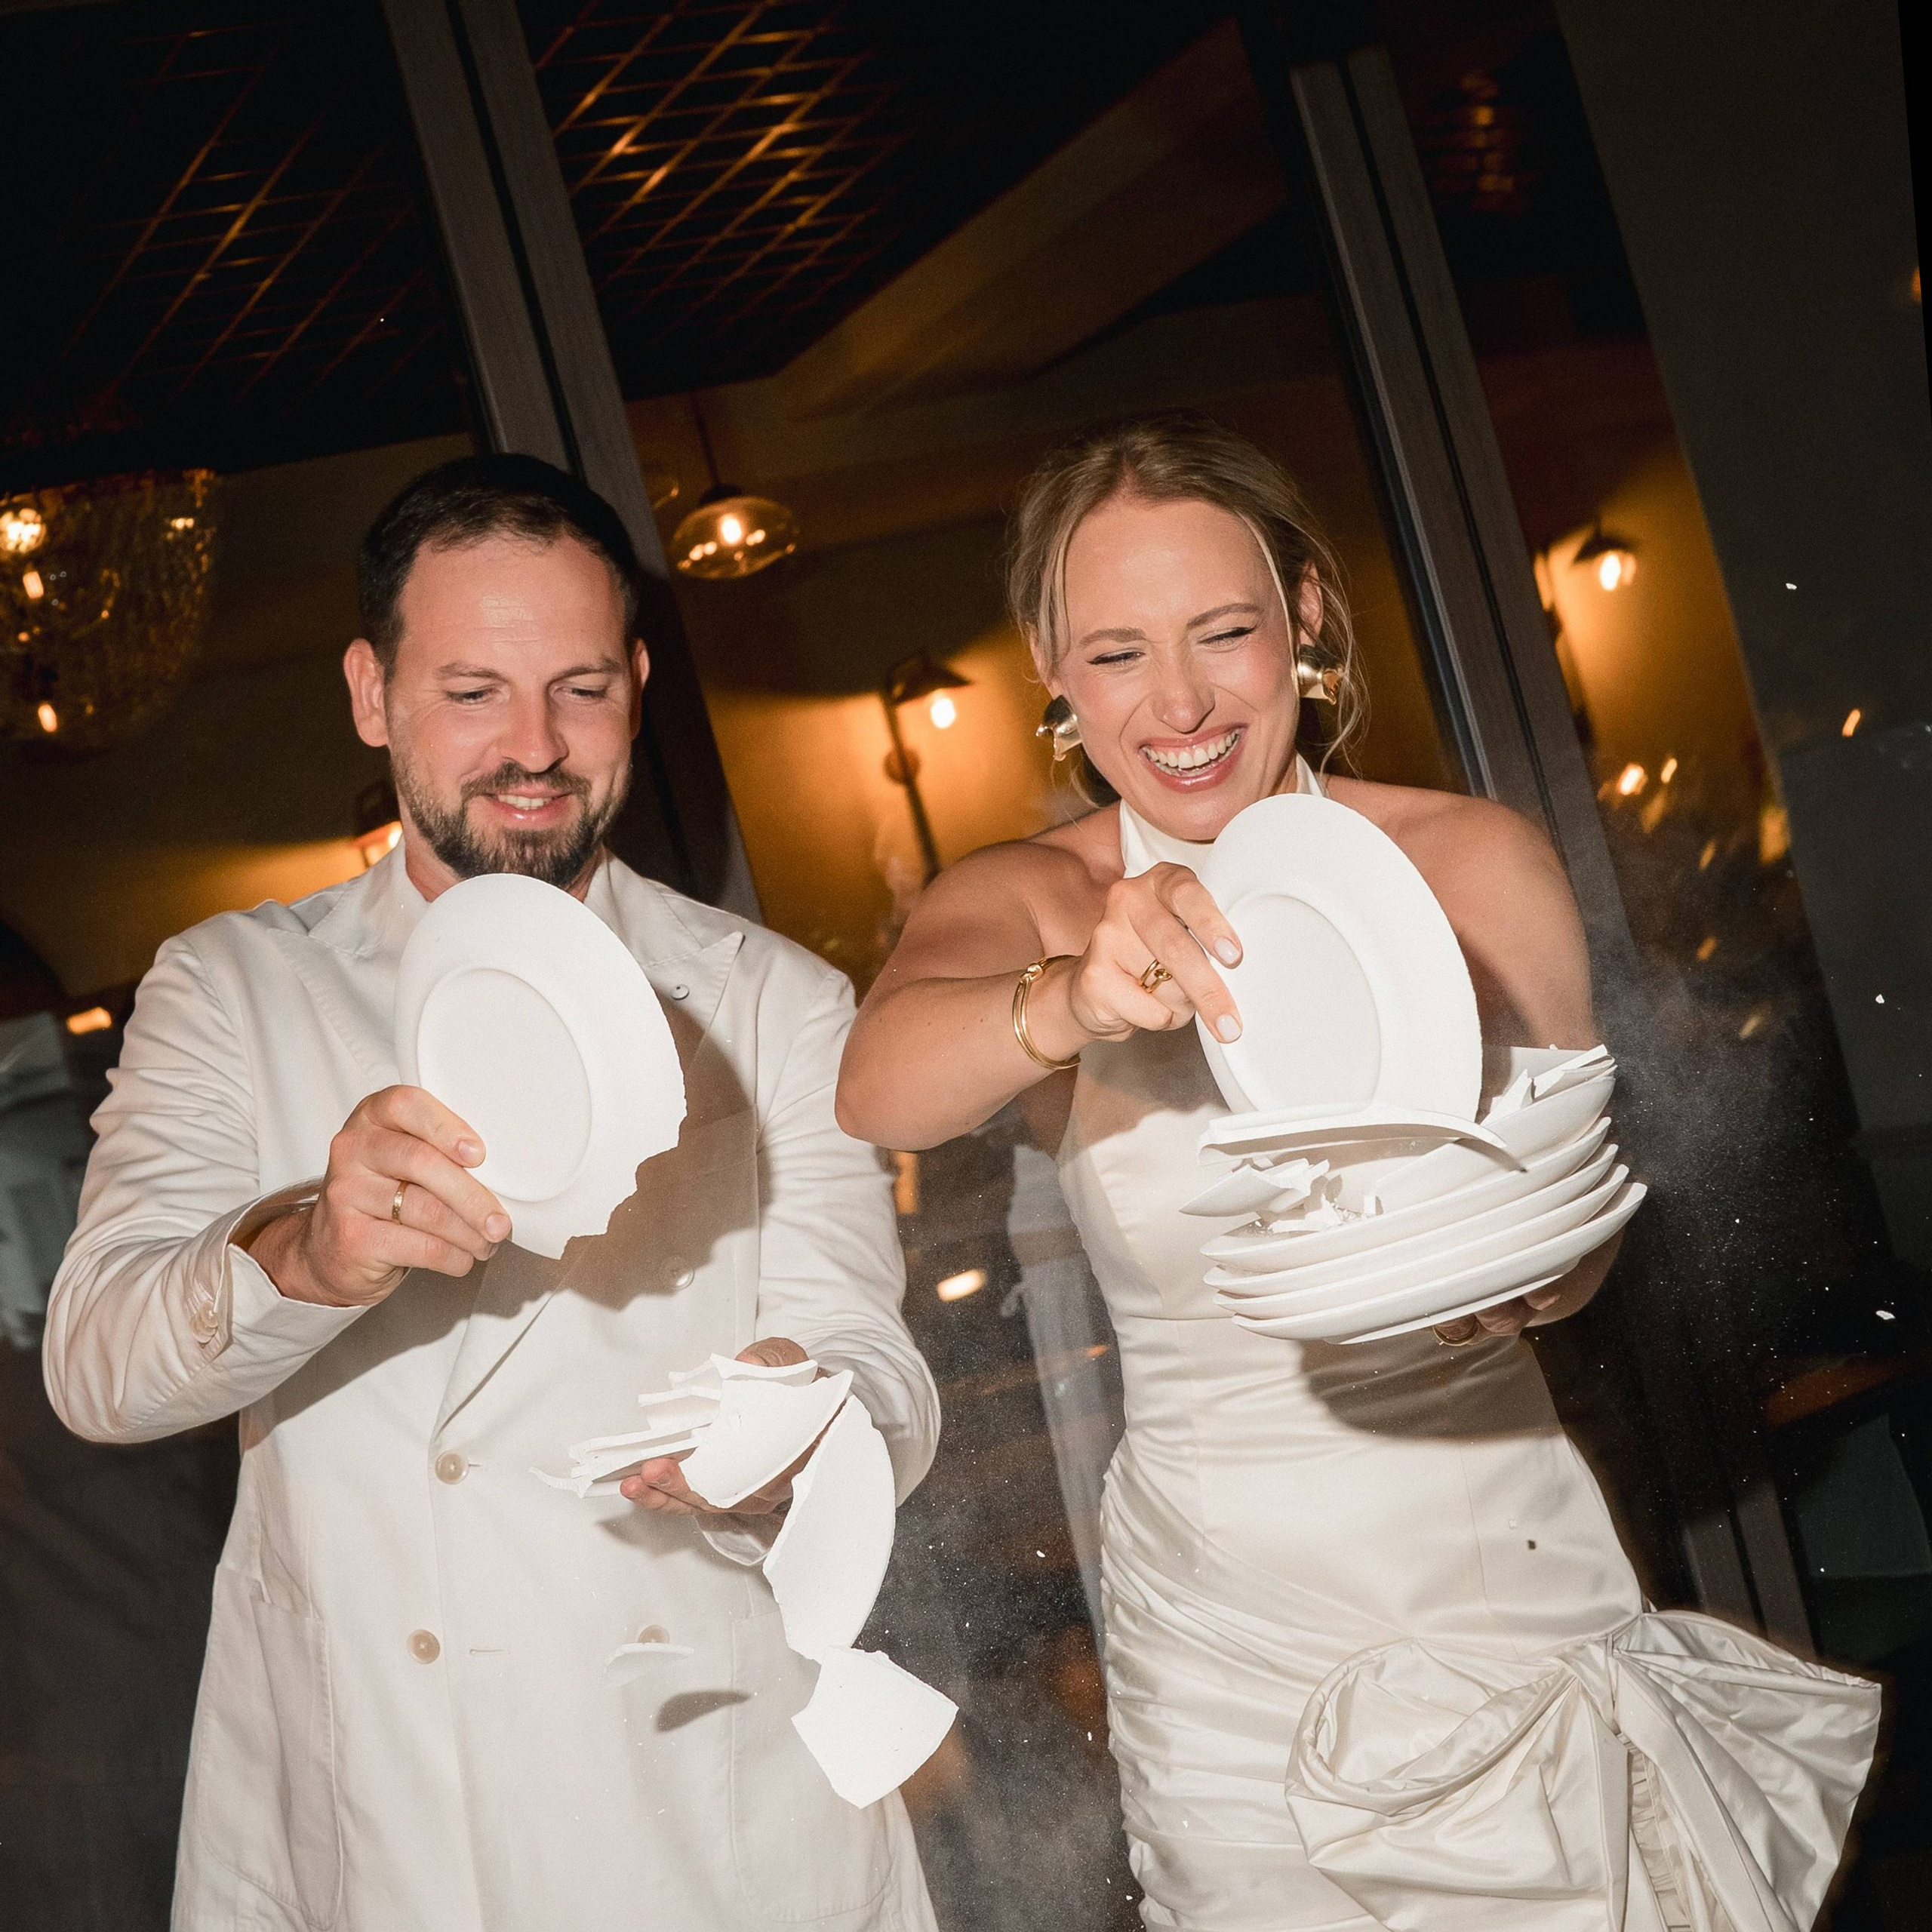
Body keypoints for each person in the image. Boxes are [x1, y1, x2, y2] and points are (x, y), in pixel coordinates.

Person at [837, 415, 1875, 1930]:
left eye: (1222, 632)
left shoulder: (1465, 859)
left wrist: (1522, 1279)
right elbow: (879, 1082)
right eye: (1116, 651)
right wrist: (1066, 1000)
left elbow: (1575, 1219)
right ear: (1051, 669)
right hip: (1220, 1624)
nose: (1178, 700)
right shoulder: (1035, 893)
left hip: (1490, 1558)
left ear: (1303, 618)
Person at [44, 456, 940, 1932]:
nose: (533, 746)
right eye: (472, 690)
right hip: (383, 1815)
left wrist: (797, 1420)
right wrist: (308, 1251)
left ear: (637, 683)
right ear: (370, 692)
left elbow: (874, 1366)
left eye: (579, 687)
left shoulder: (772, 999)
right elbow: (97, 1362)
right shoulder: (234, 988)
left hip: (703, 1812)